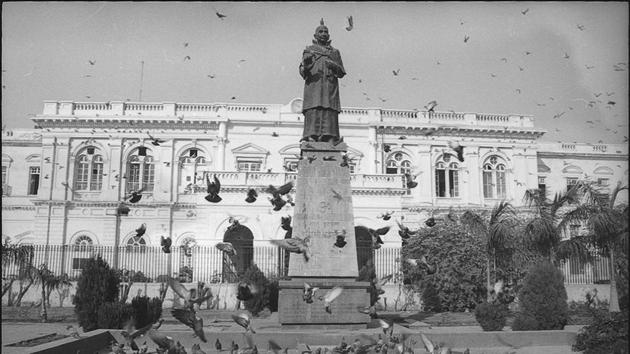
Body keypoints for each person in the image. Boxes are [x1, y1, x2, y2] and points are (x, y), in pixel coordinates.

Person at [299, 19, 346, 143]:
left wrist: (334, 66)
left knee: (329, 109)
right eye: (321, 32)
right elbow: (303, 71)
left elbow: (341, 72)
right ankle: (311, 135)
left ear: (329, 35)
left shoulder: (334, 52)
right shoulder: (309, 50)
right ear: (315, 35)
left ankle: (330, 136)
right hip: (314, 86)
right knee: (314, 108)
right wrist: (307, 64)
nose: (323, 34)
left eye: (326, 32)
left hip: (330, 87)